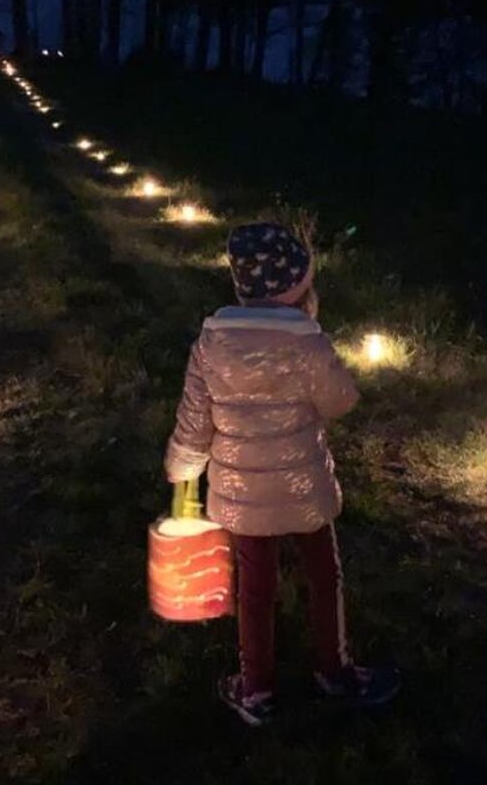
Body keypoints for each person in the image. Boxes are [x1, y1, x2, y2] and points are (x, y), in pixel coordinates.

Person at [164, 222, 401, 727]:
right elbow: (341, 401)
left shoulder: (211, 341)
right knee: (323, 576)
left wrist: (181, 467)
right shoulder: (307, 341)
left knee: (255, 587)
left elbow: (193, 417)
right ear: (298, 288)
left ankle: (256, 689)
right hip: (304, 490)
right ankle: (334, 671)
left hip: (241, 492)